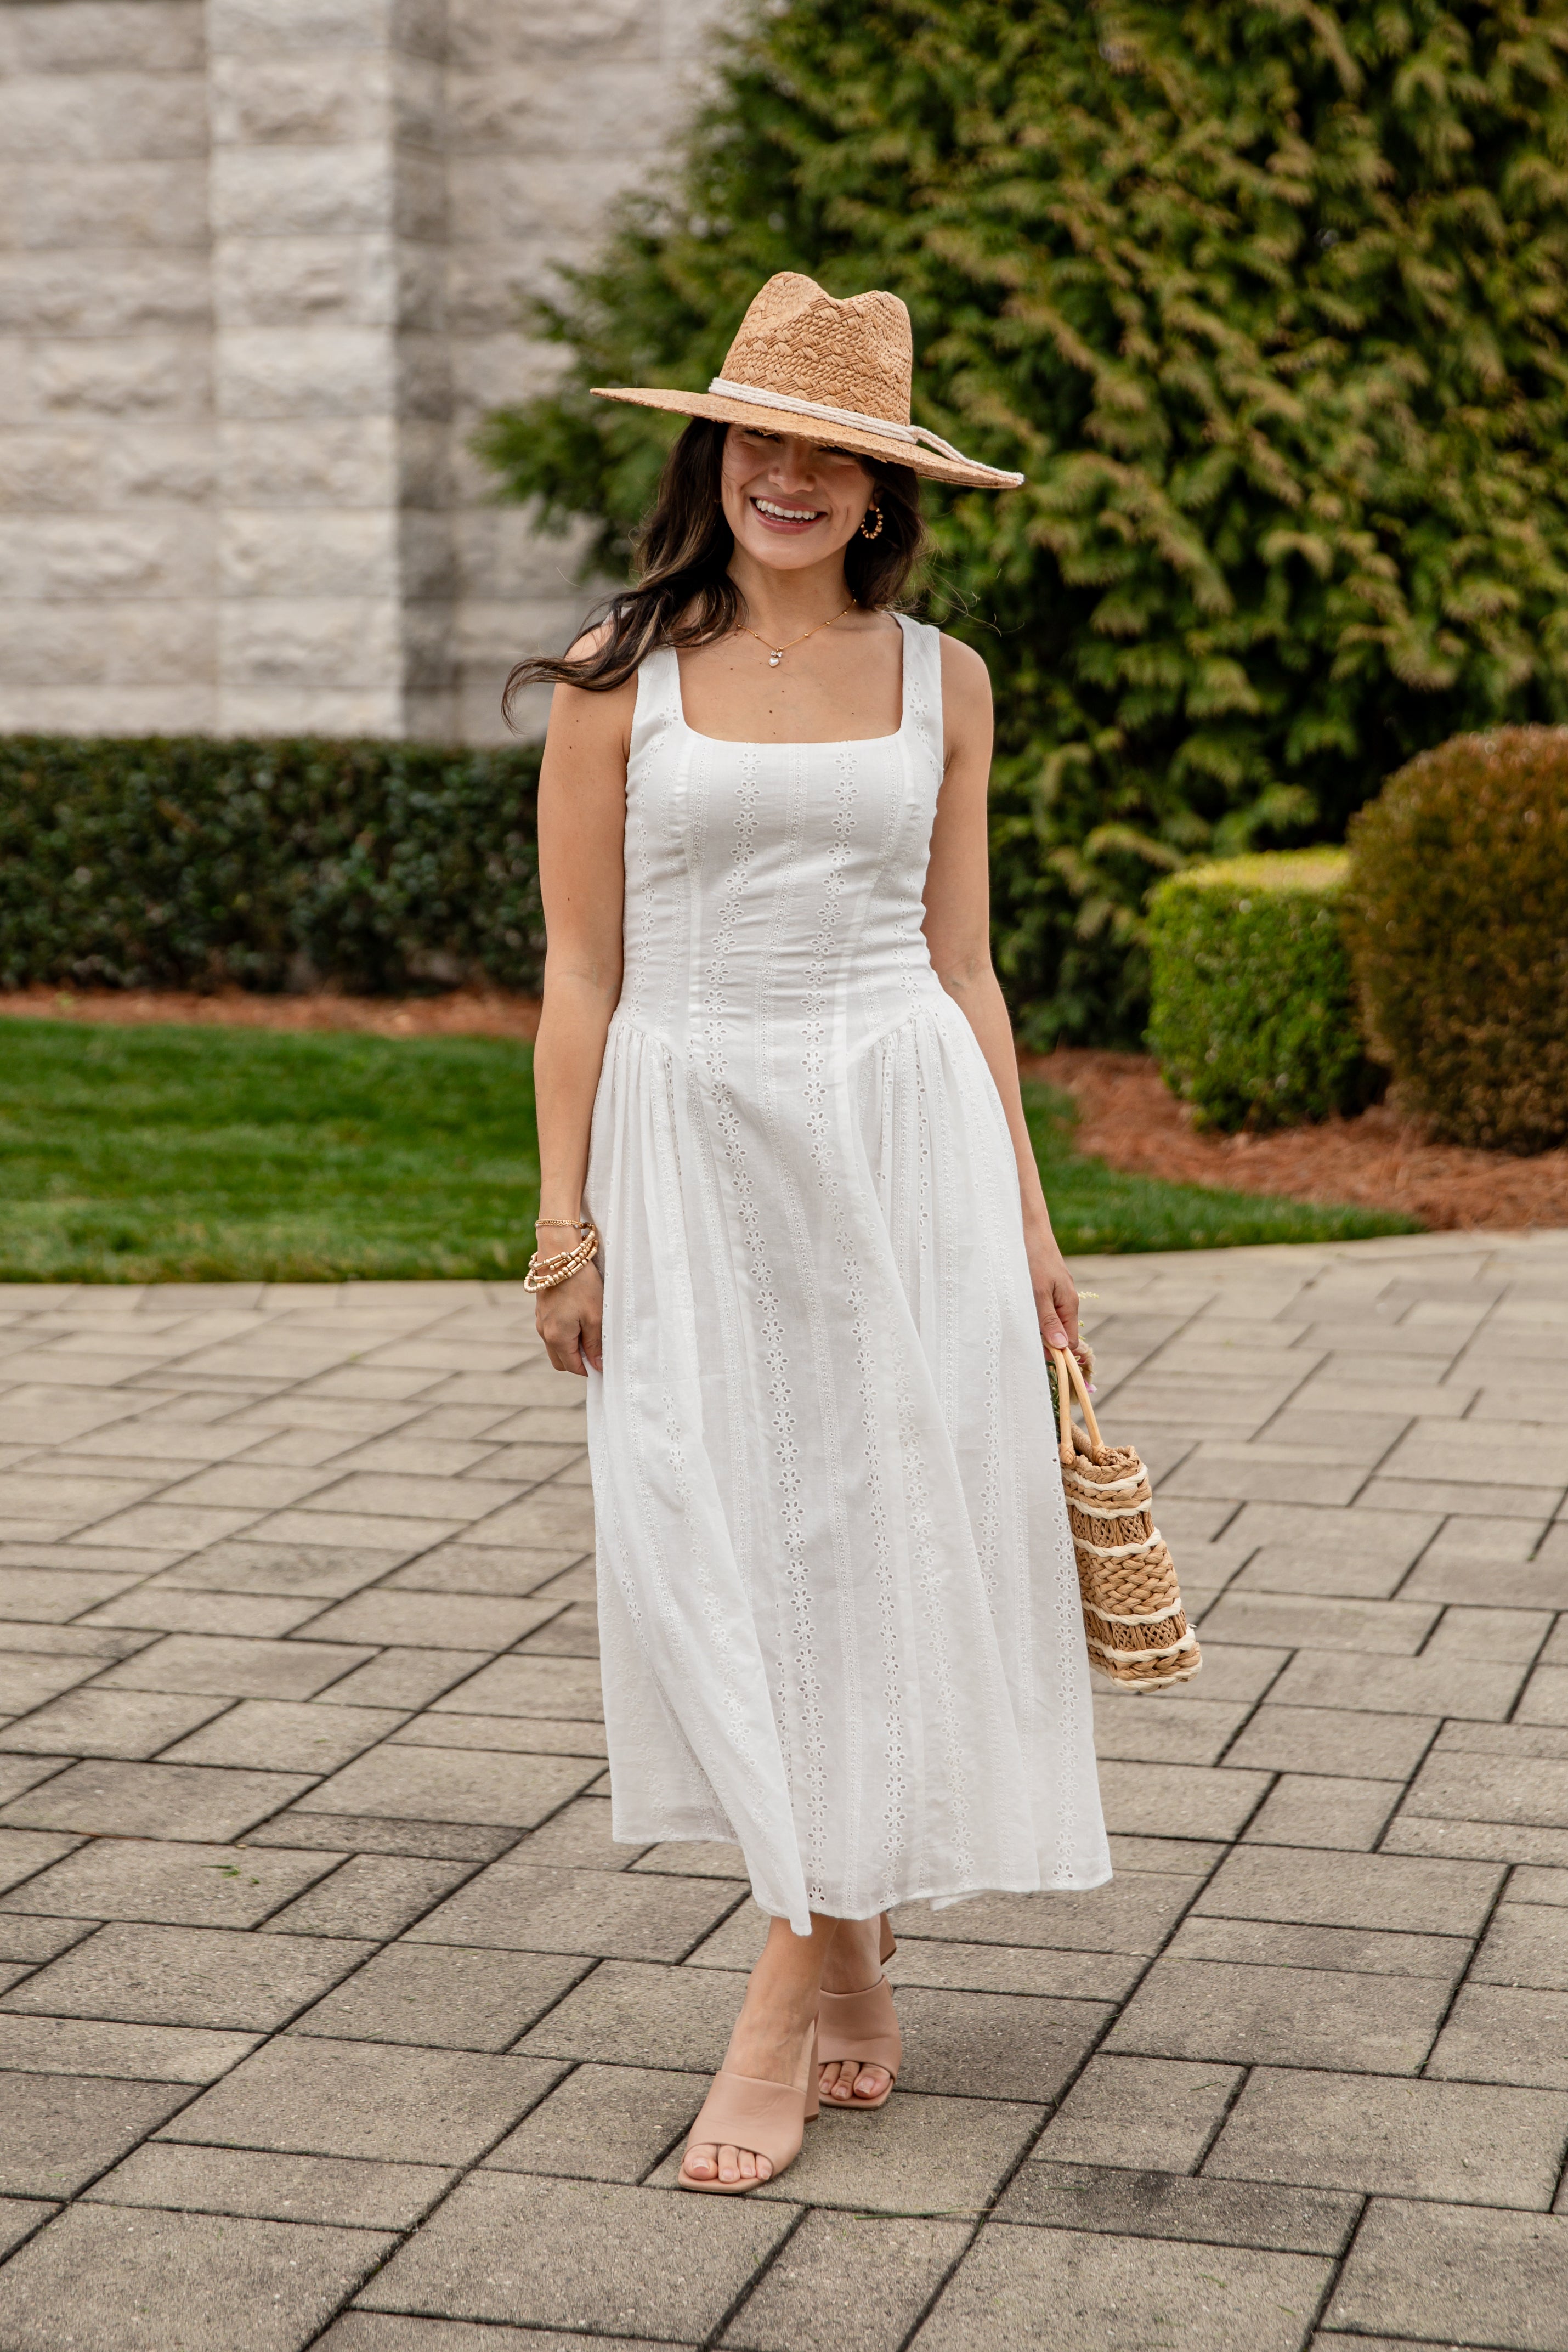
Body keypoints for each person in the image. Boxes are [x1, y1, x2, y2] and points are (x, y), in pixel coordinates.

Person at [512, 272, 1109, 2196]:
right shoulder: (618, 675)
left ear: (881, 490)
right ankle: (846, 1952)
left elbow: (965, 964)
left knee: (868, 1540)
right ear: (715, 454)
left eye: (832, 452)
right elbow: (580, 974)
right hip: (687, 1143)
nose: (789, 475)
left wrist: (1026, 1225)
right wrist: (559, 1225)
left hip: (901, 1135)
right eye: (762, 437)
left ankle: (779, 2006)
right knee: (720, 1546)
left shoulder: (948, 679)